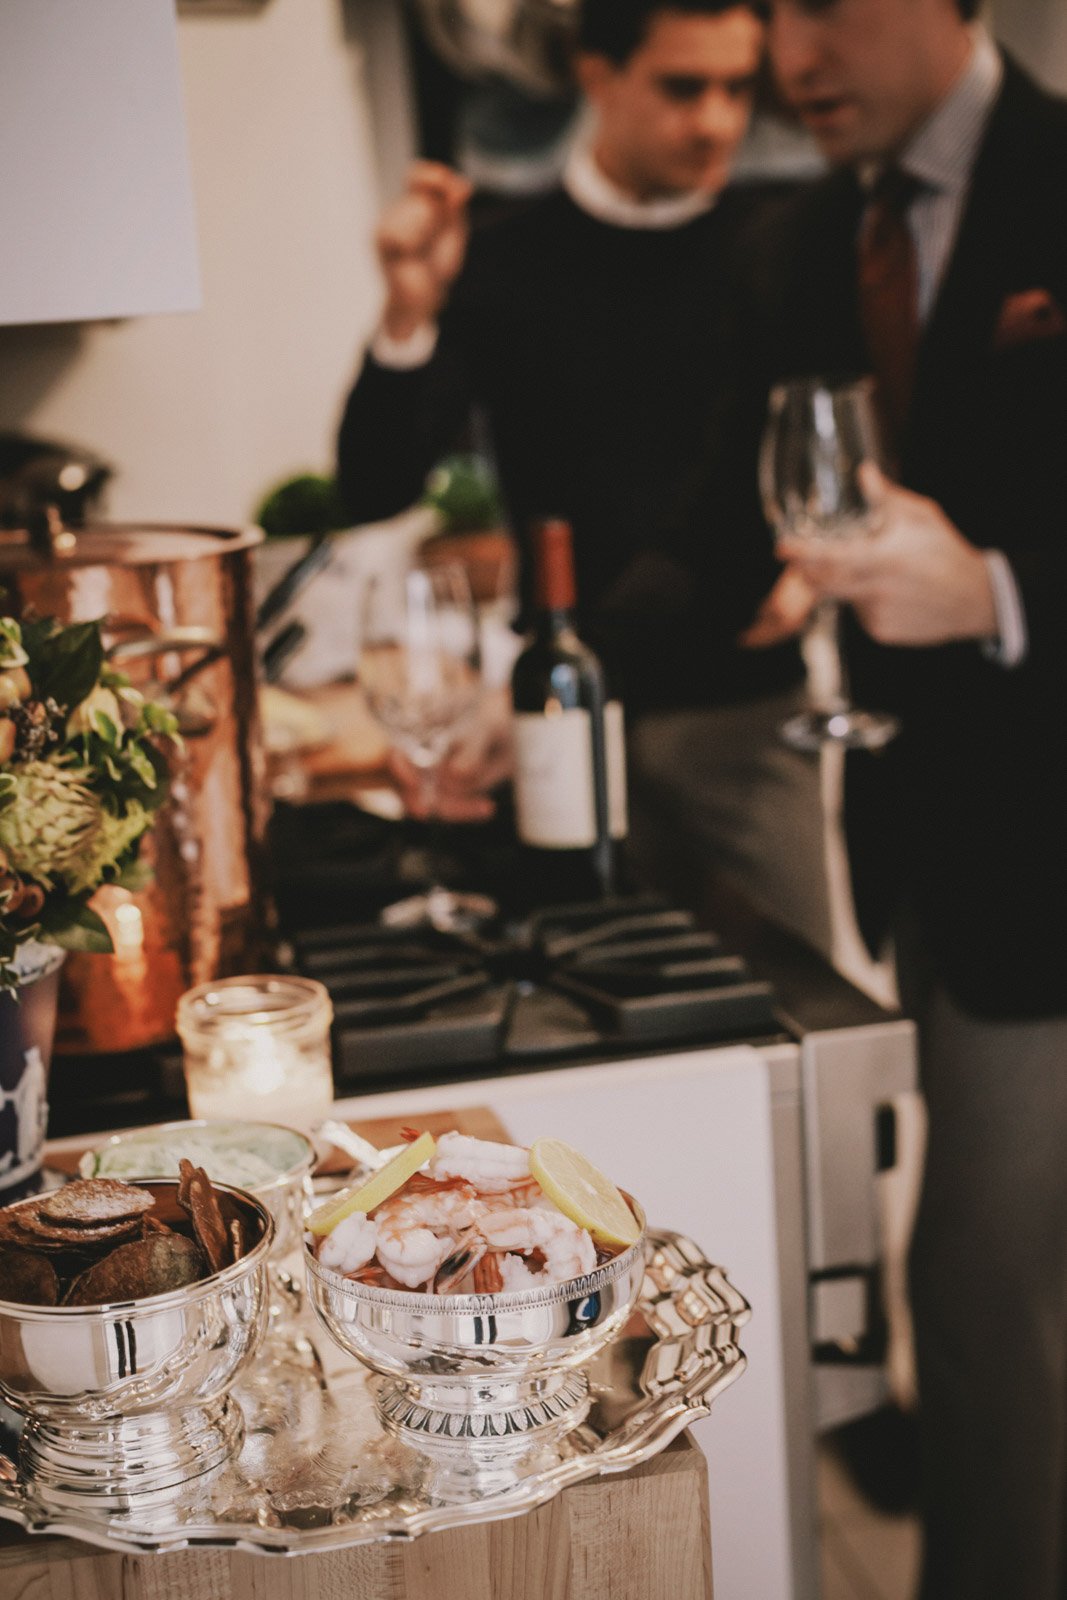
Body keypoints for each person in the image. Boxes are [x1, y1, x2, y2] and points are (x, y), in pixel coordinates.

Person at [748, 2, 1067, 1595]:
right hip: (927, 850)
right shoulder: (826, 225)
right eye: (761, 11)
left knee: (981, 1283)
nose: (784, 48)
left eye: (821, 3)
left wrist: (1002, 590)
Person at [336, 0, 835, 954]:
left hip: (738, 713)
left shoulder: (781, 245)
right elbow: (373, 488)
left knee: (801, 1004)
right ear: (594, 73)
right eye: (683, 87)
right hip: (560, 719)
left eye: (738, 88)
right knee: (594, 995)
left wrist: (814, 555)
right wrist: (408, 313)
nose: (718, 122)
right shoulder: (502, 253)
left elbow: (820, 454)